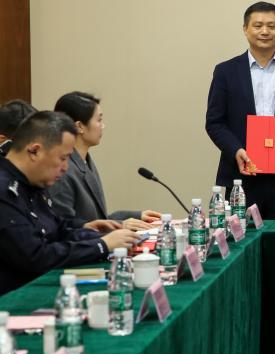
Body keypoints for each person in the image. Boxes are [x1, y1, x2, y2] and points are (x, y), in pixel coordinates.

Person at [0, 111, 138, 295]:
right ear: (34, 151)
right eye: (62, 158)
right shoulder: (5, 190)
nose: (65, 167)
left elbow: (56, 228)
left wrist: (90, 231)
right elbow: (36, 257)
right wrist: (101, 245)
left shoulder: (31, 183)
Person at [205, 1, 275, 219]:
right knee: (241, 236)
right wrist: (236, 150)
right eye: (257, 26)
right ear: (245, 29)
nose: (265, 31)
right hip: (242, 175)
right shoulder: (225, 71)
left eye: (271, 26)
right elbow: (215, 122)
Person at [50, 91, 162, 230]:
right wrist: (120, 225)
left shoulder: (85, 161)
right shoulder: (63, 171)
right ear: (79, 126)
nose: (103, 126)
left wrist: (136, 216)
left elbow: (98, 218)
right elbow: (67, 230)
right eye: (99, 120)